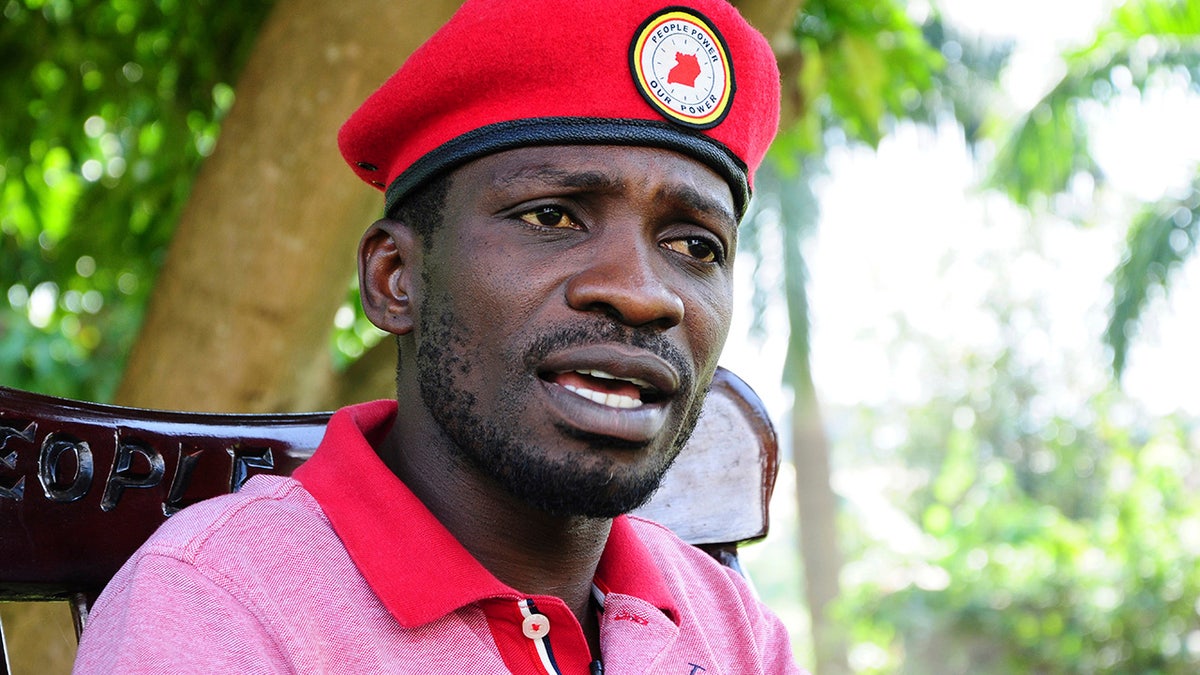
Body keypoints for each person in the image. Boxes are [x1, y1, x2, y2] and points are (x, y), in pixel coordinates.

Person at [74, 0, 802, 672]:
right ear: (396, 277)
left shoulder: (732, 627)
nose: (643, 292)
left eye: (696, 246)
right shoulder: (216, 606)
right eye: (551, 217)